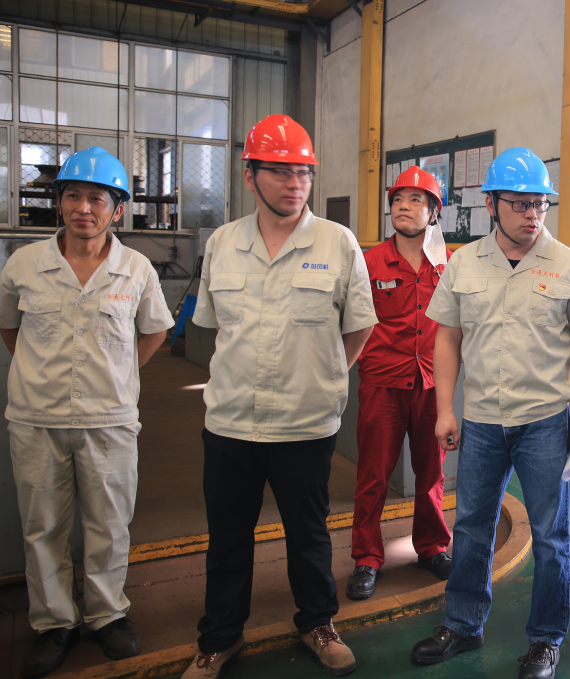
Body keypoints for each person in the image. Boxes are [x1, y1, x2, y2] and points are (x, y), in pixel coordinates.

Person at [183, 115, 377, 679]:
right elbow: (217, 327)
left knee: (308, 533)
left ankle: (318, 623)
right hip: (231, 422)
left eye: (304, 172)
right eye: (281, 172)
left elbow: (359, 327)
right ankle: (219, 638)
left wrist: (326, 377)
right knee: (228, 539)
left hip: (305, 423)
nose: (296, 184)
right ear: (250, 175)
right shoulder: (223, 243)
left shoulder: (337, 243)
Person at [410, 147, 570, 679]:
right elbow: (447, 338)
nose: (532, 214)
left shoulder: (568, 265)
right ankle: (463, 624)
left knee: (550, 536)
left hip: (546, 422)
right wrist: (445, 409)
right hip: (480, 420)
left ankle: (545, 640)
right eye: (520, 204)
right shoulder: (464, 263)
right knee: (472, 527)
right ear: (491, 204)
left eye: (540, 204)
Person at [0, 147, 174, 679]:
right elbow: (9, 328)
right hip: (37, 418)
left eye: (97, 198)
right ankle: (54, 622)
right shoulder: (24, 264)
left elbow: (155, 332)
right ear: (58, 203)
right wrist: (40, 372)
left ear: (116, 210)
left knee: (109, 523)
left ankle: (107, 615)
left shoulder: (136, 269)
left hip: (109, 420)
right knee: (43, 527)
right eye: (72, 195)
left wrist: (116, 373)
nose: (83, 208)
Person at [347, 166, 453, 601]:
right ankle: (367, 557)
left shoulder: (448, 264)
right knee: (373, 474)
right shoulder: (368, 261)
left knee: (431, 473)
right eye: (397, 199)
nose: (404, 207)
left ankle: (431, 546)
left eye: (415, 200)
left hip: (432, 383)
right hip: (382, 384)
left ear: (434, 212)